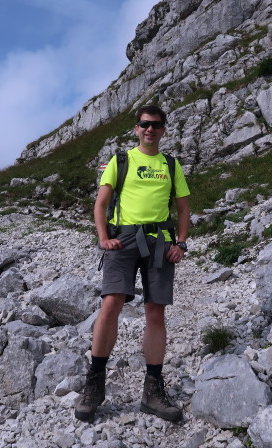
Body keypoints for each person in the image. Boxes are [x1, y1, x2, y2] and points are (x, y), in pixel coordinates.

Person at [75, 105, 191, 423]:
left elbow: (183, 208)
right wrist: (103, 238)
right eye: (144, 124)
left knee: (155, 311)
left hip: (160, 243)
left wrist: (181, 242)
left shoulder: (171, 164)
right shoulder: (121, 161)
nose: (150, 129)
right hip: (123, 240)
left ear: (164, 129)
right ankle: (94, 385)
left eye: (155, 125)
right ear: (137, 129)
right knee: (111, 304)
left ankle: (153, 392)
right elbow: (101, 204)